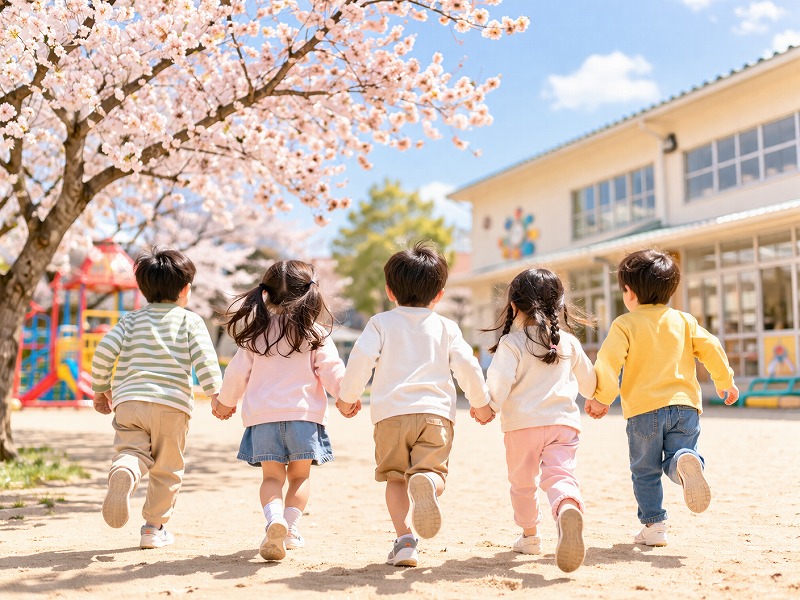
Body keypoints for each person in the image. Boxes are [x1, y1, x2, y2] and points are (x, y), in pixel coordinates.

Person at [336, 241, 494, 568]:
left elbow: (361, 358)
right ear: (439, 295)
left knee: (395, 479)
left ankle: (405, 540)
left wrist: (347, 397)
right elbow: (466, 364)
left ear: (390, 291)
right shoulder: (446, 327)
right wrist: (480, 403)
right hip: (435, 416)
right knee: (432, 471)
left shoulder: (380, 323)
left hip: (390, 417)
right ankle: (429, 485)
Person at [585, 249, 739, 547]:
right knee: (677, 455)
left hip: (644, 411)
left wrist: (601, 398)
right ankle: (685, 459)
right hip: (685, 407)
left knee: (645, 470)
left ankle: (654, 526)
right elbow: (712, 347)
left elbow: (609, 362)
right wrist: (725, 381)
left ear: (629, 292)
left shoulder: (624, 324)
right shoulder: (684, 321)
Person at [212, 260, 345, 562]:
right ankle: (291, 528)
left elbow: (236, 374)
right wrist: (345, 396)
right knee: (300, 479)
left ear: (266, 295)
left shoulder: (255, 333)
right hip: (303, 420)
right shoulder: (315, 334)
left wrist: (225, 402)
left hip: (264, 422)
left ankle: (274, 520)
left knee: (271, 480)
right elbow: (332, 370)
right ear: (310, 294)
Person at [92, 247, 222, 549]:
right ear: (185, 289)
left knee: (131, 451)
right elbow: (205, 358)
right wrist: (215, 393)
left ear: (143, 288)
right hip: (171, 406)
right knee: (167, 468)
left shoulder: (130, 321)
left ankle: (125, 469)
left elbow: (103, 352)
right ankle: (153, 528)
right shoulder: (189, 321)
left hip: (129, 403)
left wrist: (102, 389)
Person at [484, 268, 596, 573]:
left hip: (522, 426)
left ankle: (530, 536)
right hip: (563, 424)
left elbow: (498, 384)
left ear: (514, 306)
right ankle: (567, 507)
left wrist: (488, 407)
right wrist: (599, 397)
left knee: (522, 484)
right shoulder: (568, 343)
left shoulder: (512, 343)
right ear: (559, 305)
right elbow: (589, 384)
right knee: (560, 475)